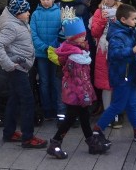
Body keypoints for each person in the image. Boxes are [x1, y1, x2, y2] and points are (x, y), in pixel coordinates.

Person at [93, 3, 136, 143]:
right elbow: (114, 54)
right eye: (133, 19)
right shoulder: (118, 35)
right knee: (117, 105)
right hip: (121, 76)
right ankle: (97, 131)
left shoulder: (127, 31)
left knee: (132, 103)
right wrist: (132, 50)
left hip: (128, 74)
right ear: (123, 20)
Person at [47, 14, 109, 159]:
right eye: (81, 36)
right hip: (76, 93)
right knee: (70, 118)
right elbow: (78, 80)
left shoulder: (79, 52)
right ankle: (55, 143)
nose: (84, 38)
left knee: (84, 116)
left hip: (77, 92)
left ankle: (91, 142)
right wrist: (85, 96)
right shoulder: (75, 57)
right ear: (73, 38)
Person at [0, 0, 47, 148]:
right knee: (27, 101)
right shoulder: (12, 27)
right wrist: (9, 64)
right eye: (25, 11)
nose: (29, 13)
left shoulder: (19, 22)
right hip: (17, 69)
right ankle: (28, 137)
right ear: (17, 14)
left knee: (14, 99)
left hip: (21, 67)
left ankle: (9, 132)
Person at [30, 0, 62, 121]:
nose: (45, 1)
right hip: (42, 54)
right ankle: (46, 108)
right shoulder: (36, 14)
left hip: (55, 53)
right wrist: (43, 47)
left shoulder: (59, 12)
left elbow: (61, 30)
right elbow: (33, 33)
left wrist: (53, 46)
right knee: (43, 81)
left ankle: (57, 107)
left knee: (55, 81)